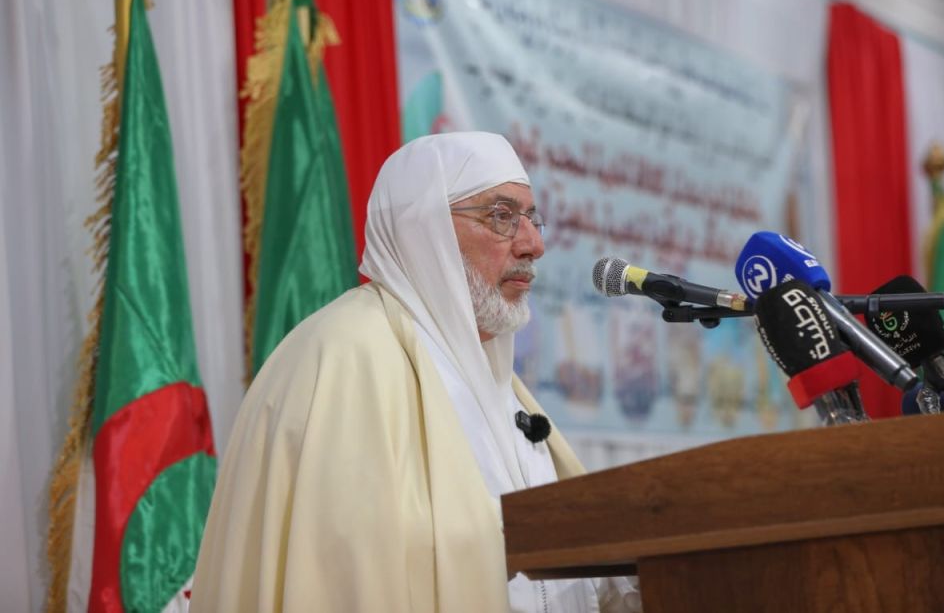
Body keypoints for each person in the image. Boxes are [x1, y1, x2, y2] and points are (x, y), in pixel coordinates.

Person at [190, 132, 640, 612]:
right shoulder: (344, 356)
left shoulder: (495, 380)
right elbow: (348, 569)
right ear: (424, 229)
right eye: (502, 216)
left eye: (532, 218)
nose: (534, 244)